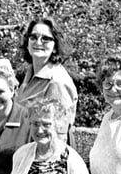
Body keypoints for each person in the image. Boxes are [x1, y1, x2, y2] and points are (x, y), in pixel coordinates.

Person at [15, 17, 77, 145]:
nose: (38, 42)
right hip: (25, 149)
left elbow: (58, 134)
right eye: (33, 37)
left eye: (45, 39)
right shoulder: (28, 74)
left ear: (55, 46)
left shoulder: (57, 82)